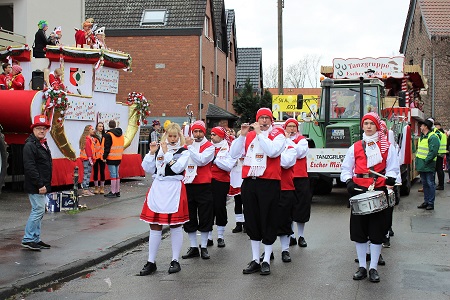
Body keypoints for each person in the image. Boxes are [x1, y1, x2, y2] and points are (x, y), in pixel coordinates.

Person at [341, 112, 400, 283]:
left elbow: (393, 168)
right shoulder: (355, 147)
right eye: (365, 123)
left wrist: (390, 177)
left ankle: (373, 267)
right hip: (359, 190)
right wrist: (348, 181)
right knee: (359, 231)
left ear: (377, 126)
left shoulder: (387, 147)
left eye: (371, 123)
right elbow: (346, 168)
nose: (368, 126)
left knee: (376, 231)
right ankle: (361, 266)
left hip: (378, 190)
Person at [229, 107, 286, 276]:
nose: (263, 121)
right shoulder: (250, 136)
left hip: (268, 183)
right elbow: (233, 154)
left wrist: (260, 134)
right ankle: (255, 259)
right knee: (252, 220)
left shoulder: (278, 135)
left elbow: (272, 151)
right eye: (260, 118)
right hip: (250, 182)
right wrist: (242, 135)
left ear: (271, 120)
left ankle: (266, 259)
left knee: (268, 219)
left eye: (266, 118)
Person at [139, 122, 190, 275]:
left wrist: (167, 153)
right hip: (158, 187)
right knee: (154, 225)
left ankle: (175, 260)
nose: (173, 139)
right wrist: (151, 153)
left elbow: (177, 168)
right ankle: (151, 261)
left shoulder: (184, 151)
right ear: (166, 135)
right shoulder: (159, 149)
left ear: (179, 136)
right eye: (170, 135)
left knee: (175, 225)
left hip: (174, 188)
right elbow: (147, 169)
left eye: (175, 136)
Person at [181, 120, 215, 260]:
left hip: (203, 185)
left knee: (205, 215)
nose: (198, 134)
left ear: (204, 132)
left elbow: (201, 160)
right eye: (195, 131)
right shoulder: (187, 146)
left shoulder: (209, 146)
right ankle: (194, 246)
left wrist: (189, 148)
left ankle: (204, 246)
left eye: (200, 131)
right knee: (190, 216)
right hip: (188, 184)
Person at [21, 115, 52, 251]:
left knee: (39, 211)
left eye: (44, 128)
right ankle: (28, 239)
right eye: (39, 128)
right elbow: (30, 167)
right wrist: (40, 184)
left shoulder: (42, 144)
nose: (42, 131)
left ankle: (35, 238)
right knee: (38, 210)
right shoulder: (30, 145)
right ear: (33, 129)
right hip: (36, 185)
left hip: (41, 184)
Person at [284, 118, 311, 248]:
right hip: (287, 178)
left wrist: (288, 141)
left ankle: (301, 235)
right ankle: (291, 235)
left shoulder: (302, 140)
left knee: (302, 207)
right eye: (289, 126)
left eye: (294, 126)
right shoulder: (281, 141)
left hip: (301, 177)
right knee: (288, 207)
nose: (292, 129)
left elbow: (299, 153)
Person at [208, 126, 235, 247]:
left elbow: (228, 166)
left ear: (221, 136)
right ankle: (208, 236)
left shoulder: (228, 147)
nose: (212, 136)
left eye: (214, 134)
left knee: (219, 207)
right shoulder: (208, 147)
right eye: (211, 134)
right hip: (207, 180)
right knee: (207, 208)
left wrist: (215, 160)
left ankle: (220, 236)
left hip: (221, 181)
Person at [416, 119, 440, 210]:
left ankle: (430, 203)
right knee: (425, 184)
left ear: (426, 126)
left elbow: (433, 152)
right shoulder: (422, 137)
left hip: (428, 164)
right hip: (423, 165)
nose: (420, 126)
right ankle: (426, 201)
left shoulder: (432, 137)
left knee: (430, 184)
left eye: (422, 125)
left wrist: (426, 161)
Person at [103, 120, 124, 198]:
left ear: (109, 125)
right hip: (118, 157)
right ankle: (117, 191)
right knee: (117, 174)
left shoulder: (108, 135)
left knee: (113, 175)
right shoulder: (121, 135)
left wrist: (104, 157)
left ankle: (113, 191)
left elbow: (107, 147)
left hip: (111, 157)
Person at [79, 125, 96, 197]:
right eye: (92, 129)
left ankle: (85, 188)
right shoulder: (87, 139)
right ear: (88, 130)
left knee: (87, 173)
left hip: (85, 158)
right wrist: (91, 159)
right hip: (87, 158)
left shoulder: (87, 139)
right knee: (87, 173)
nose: (93, 130)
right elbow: (88, 150)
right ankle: (85, 189)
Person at [432, 121, 447, 190]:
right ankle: (441, 184)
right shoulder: (443, 133)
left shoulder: (438, 133)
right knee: (439, 169)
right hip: (442, 152)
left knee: (438, 170)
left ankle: (440, 185)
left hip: (438, 153)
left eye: (435, 126)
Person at [93, 122, 106, 194]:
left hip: (102, 156)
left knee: (102, 171)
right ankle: (96, 187)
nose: (101, 127)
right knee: (95, 171)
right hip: (95, 156)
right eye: (99, 126)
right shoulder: (94, 136)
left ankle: (102, 187)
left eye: (102, 126)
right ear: (97, 127)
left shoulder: (105, 135)